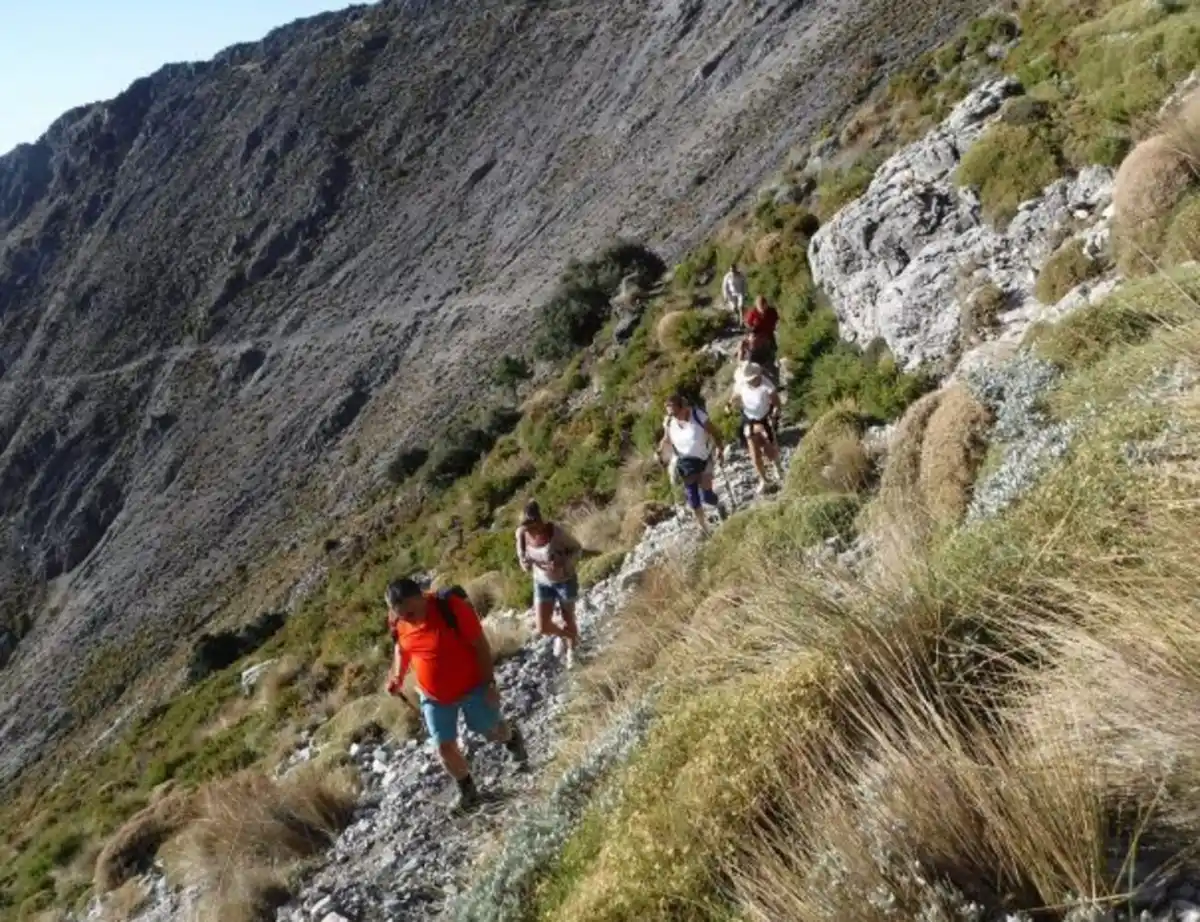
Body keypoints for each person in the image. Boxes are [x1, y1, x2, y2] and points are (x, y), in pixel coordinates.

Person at [385, 578, 528, 814]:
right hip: (433, 695)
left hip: (472, 686)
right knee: (444, 746)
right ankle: (469, 793)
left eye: (410, 612)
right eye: (401, 615)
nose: (407, 619)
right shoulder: (398, 620)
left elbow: (480, 645)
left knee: (493, 732)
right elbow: (402, 648)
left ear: (421, 596)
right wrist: (397, 677)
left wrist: (490, 685)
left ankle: (512, 738)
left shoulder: (450, 607)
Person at [515, 501, 583, 669]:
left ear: (540, 520)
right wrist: (525, 563)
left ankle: (572, 650)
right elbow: (522, 559)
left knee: (568, 618)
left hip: (564, 580)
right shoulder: (522, 535)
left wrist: (564, 562)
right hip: (542, 582)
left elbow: (577, 548)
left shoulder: (556, 532)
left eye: (533, 525)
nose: (531, 530)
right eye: (527, 526)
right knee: (542, 627)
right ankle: (565, 636)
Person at [658, 393, 728, 534]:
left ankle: (718, 504)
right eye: (670, 413)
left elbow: (714, 431)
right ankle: (704, 527)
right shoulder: (669, 422)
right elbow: (666, 439)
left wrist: (720, 449)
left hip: (704, 457)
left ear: (683, 407)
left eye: (675, 412)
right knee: (692, 496)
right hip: (686, 461)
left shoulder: (697, 415)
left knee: (706, 496)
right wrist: (660, 451)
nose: (673, 416)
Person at [727, 362, 784, 494]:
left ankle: (777, 466)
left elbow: (777, 403)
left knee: (768, 447)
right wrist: (729, 405)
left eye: (753, 378)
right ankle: (764, 479)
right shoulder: (741, 384)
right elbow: (735, 396)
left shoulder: (767, 385)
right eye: (749, 379)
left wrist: (776, 411)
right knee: (754, 452)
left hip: (765, 418)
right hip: (749, 419)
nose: (751, 381)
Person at [741, 295, 780, 382]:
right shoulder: (752, 313)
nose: (762, 310)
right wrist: (751, 333)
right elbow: (747, 325)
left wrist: (776, 327)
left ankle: (772, 373)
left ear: (766, 304)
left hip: (769, 335)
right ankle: (761, 375)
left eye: (763, 307)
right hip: (757, 338)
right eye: (760, 308)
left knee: (772, 353)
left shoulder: (771, 311)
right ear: (756, 306)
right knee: (756, 359)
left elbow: (777, 320)